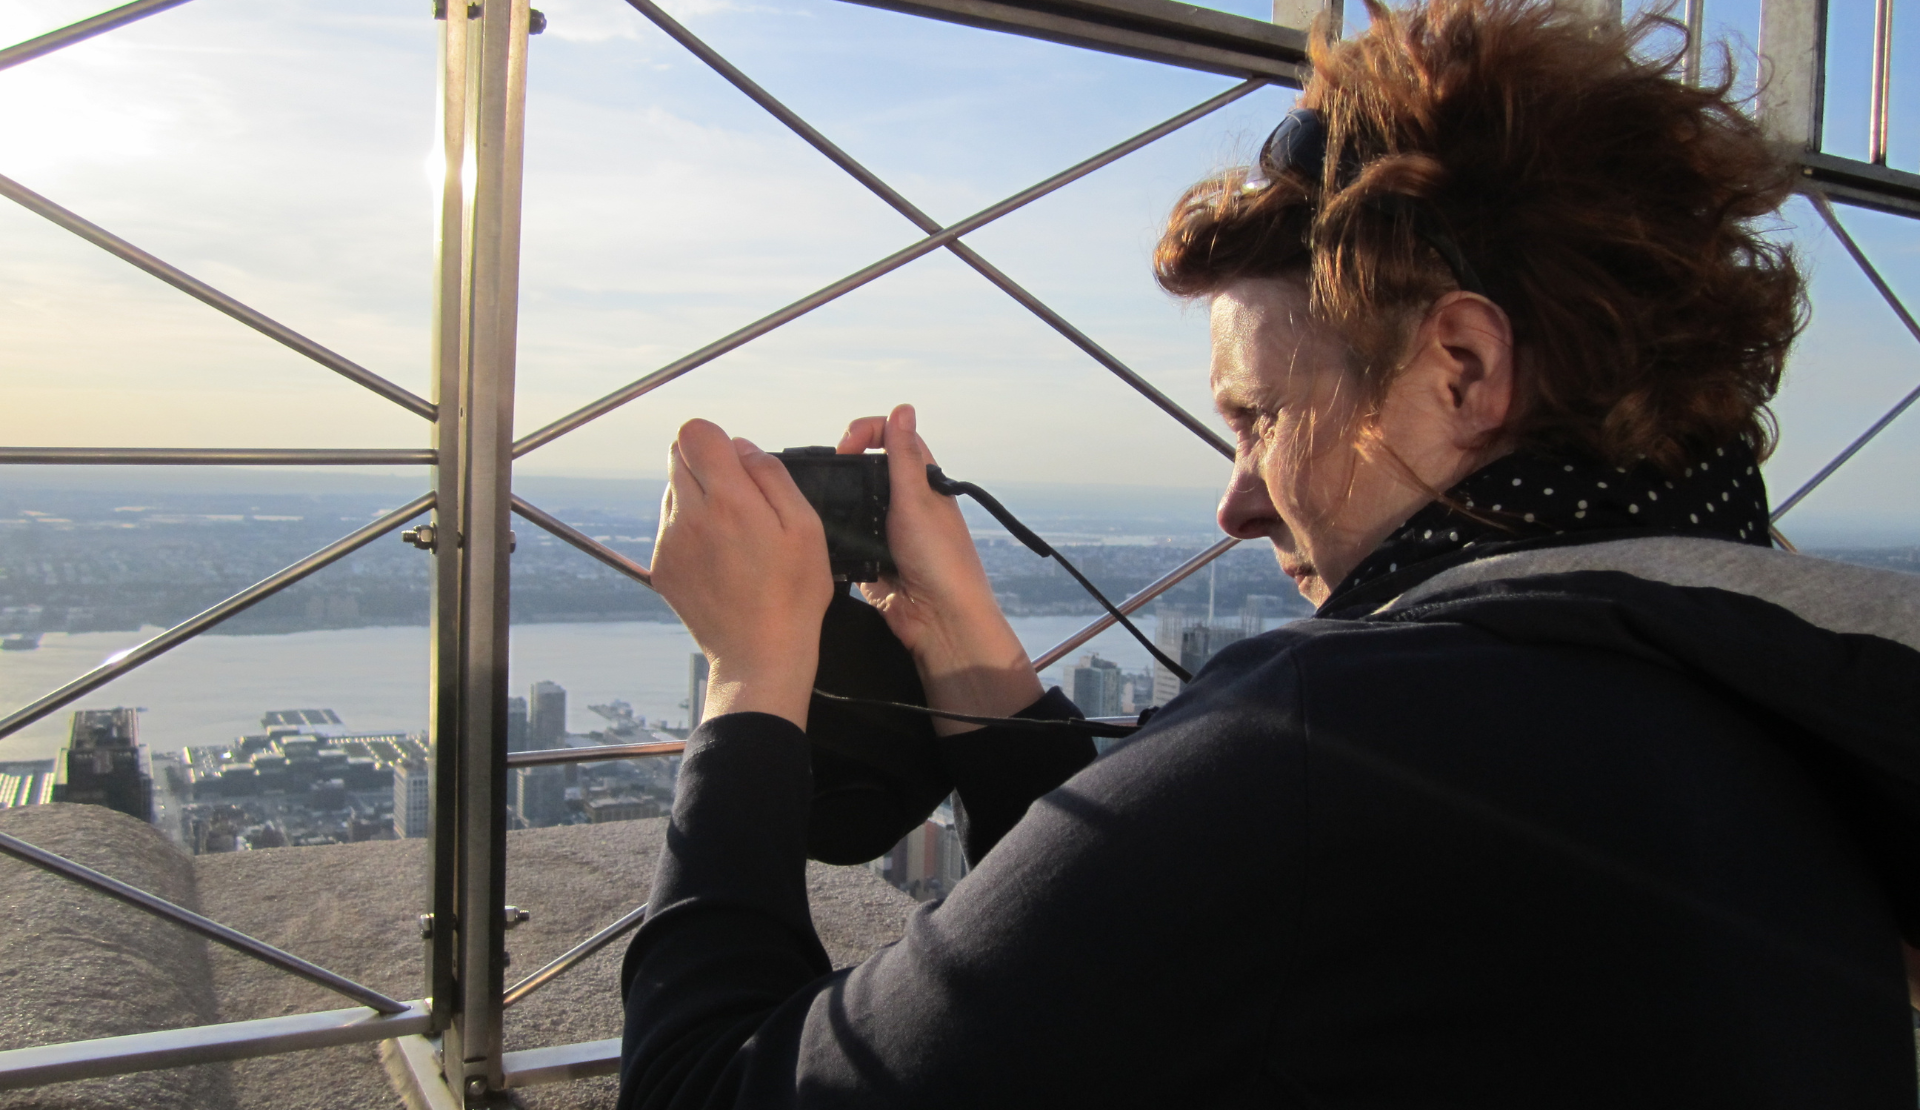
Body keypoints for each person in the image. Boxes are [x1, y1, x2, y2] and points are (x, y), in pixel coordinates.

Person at [620, 0, 1920, 1104]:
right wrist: (969, 652)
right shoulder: (1778, 694)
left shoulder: (1353, 730)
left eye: (1258, 418)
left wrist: (751, 670)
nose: (1234, 504)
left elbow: (705, 1082)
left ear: (1461, 369)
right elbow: (1189, 937)